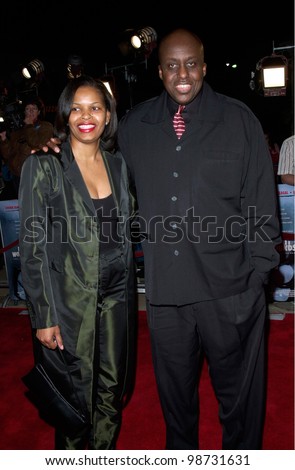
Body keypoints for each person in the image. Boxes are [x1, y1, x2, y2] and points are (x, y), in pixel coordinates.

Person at [38, 29, 282, 450]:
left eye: (191, 64)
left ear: (204, 67)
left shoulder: (239, 119)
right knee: (176, 409)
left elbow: (263, 204)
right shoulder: (136, 125)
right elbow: (94, 156)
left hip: (231, 294)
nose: (182, 73)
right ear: (159, 70)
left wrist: (256, 279)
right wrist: (58, 146)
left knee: (240, 407)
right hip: (167, 298)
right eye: (172, 65)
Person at [19, 75, 137, 450]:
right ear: (66, 114)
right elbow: (32, 246)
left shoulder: (118, 165)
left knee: (112, 386)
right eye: (78, 108)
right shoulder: (44, 167)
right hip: (68, 298)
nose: (86, 116)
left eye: (96, 108)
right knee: (74, 396)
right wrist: (44, 315)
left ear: (108, 116)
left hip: (118, 292)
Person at [0, 96, 54, 195]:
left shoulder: (45, 126)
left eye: (34, 109)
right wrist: (4, 140)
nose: (30, 112)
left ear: (39, 112)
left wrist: (29, 126)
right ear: (24, 112)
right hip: (17, 176)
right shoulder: (18, 131)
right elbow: (8, 154)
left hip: (35, 175)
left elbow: (36, 143)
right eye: (27, 109)